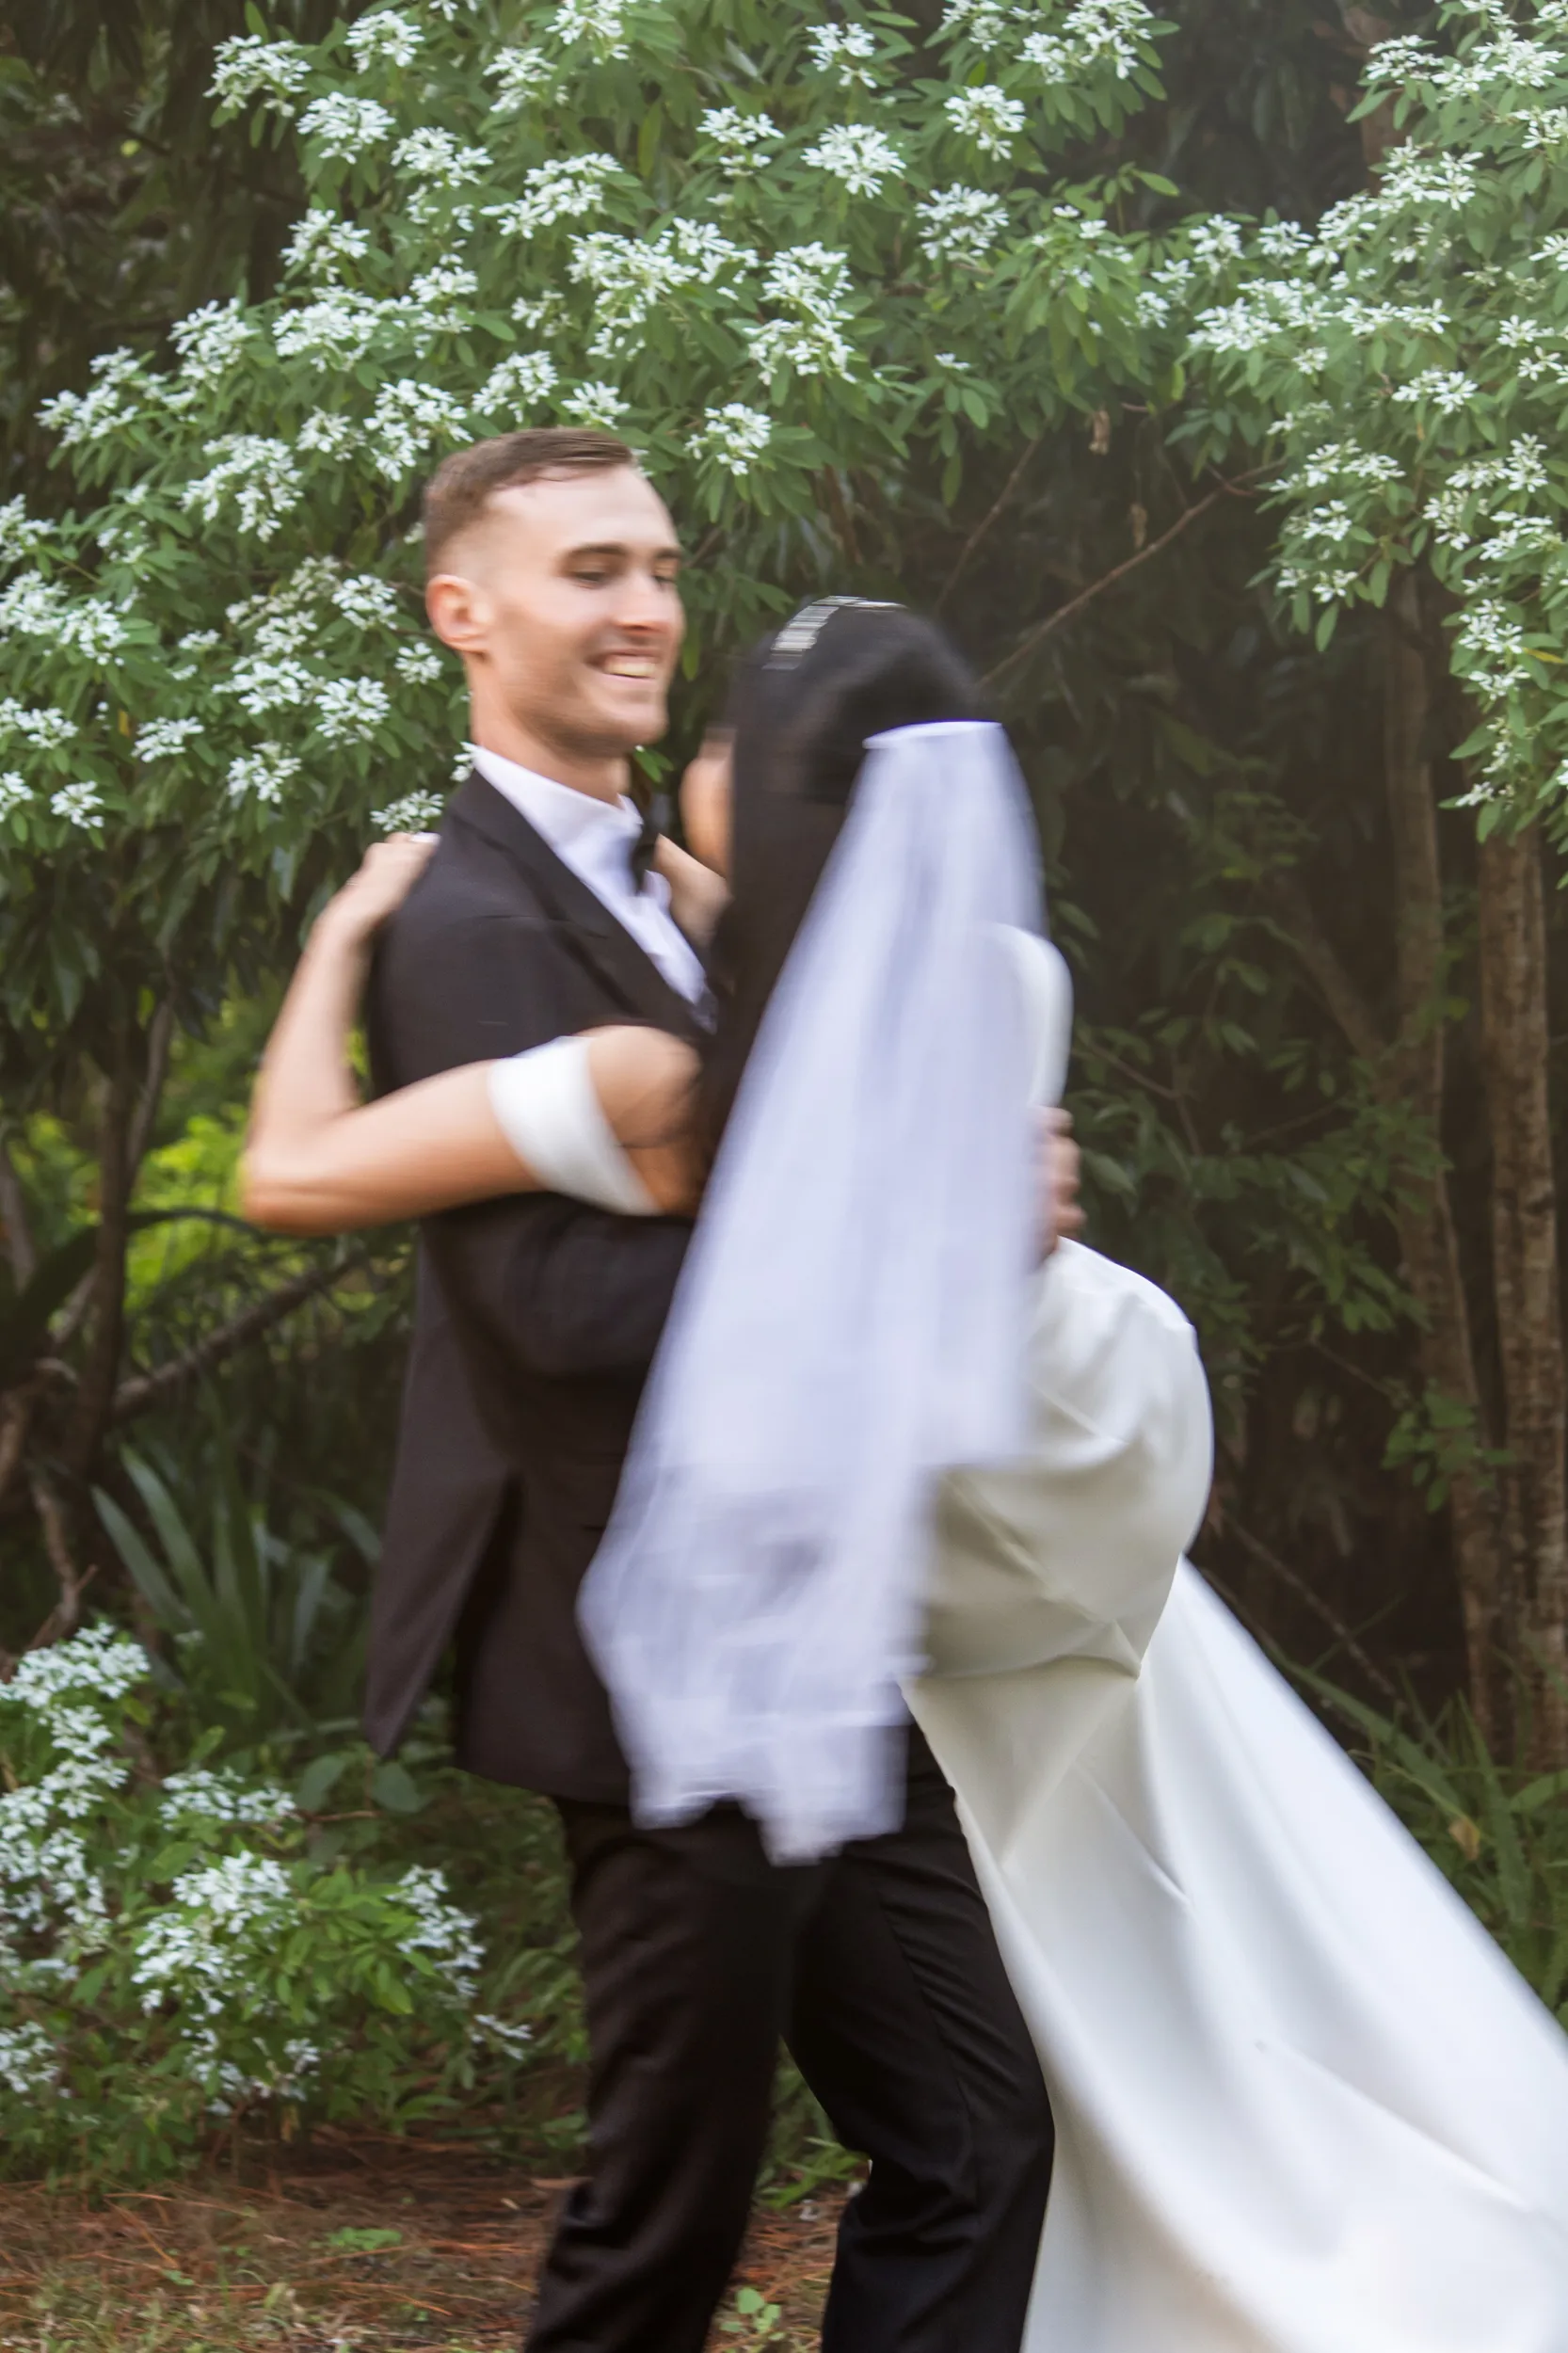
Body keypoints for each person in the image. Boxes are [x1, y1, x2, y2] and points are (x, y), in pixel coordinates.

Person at [249, 572, 1568, 2348]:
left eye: (724, 739)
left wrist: (351, 942)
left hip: (844, 1632)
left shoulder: (741, 1037)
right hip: (810, 1633)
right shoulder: (806, 1016)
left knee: (930, 2136)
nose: (678, 752)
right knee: (730, 2186)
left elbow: (306, 1171)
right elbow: (494, 1244)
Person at [247, 430, 1058, 2353]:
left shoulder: (689, 893)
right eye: (588, 569)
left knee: (975, 2126)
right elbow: (551, 1308)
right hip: (651, 1651)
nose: (642, 610)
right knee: (661, 2229)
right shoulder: (468, 918)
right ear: (466, 612)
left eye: (661, 568)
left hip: (808, 1624)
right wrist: (902, 1240)